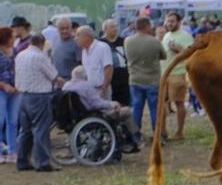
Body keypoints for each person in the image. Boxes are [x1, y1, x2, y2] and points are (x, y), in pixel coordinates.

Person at [65, 63, 140, 152]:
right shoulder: (85, 86)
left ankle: (128, 139)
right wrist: (113, 104)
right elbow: (97, 103)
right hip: (93, 116)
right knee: (126, 111)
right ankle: (135, 138)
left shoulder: (66, 86)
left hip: (76, 117)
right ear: (85, 75)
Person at [14, 33, 59, 171]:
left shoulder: (20, 55)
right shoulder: (40, 57)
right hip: (39, 96)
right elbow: (53, 76)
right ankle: (42, 162)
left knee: (25, 131)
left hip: (23, 95)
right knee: (41, 129)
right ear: (42, 43)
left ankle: (22, 161)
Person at [124, 15, 165, 143]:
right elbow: (163, 56)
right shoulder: (154, 41)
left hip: (135, 80)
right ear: (147, 26)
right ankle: (158, 135)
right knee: (154, 110)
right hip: (152, 80)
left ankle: (135, 135)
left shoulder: (128, 41)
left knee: (136, 108)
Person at [0, 26, 18, 164]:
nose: (14, 39)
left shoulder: (15, 51)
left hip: (15, 89)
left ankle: (13, 151)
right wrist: (4, 85)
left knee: (12, 121)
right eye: (12, 36)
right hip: (2, 89)